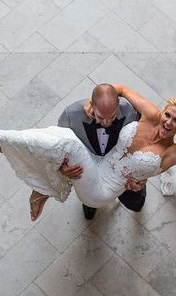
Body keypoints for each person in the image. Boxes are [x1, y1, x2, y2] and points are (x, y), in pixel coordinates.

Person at [0, 64, 176, 221]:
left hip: (103, 189)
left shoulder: (172, 154)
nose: (168, 122)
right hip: (95, 163)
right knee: (63, 139)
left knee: (68, 143)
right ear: (163, 111)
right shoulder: (149, 115)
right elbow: (121, 88)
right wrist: (96, 103)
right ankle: (8, 152)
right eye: (169, 115)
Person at [56, 84, 147, 221]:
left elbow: (144, 141)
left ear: (118, 103)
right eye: (101, 116)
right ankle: (90, 205)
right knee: (89, 197)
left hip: (121, 170)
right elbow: (58, 143)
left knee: (135, 202)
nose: (106, 122)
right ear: (91, 104)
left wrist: (140, 176)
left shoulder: (130, 111)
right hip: (88, 168)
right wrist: (62, 167)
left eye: (112, 116)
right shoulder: (71, 115)